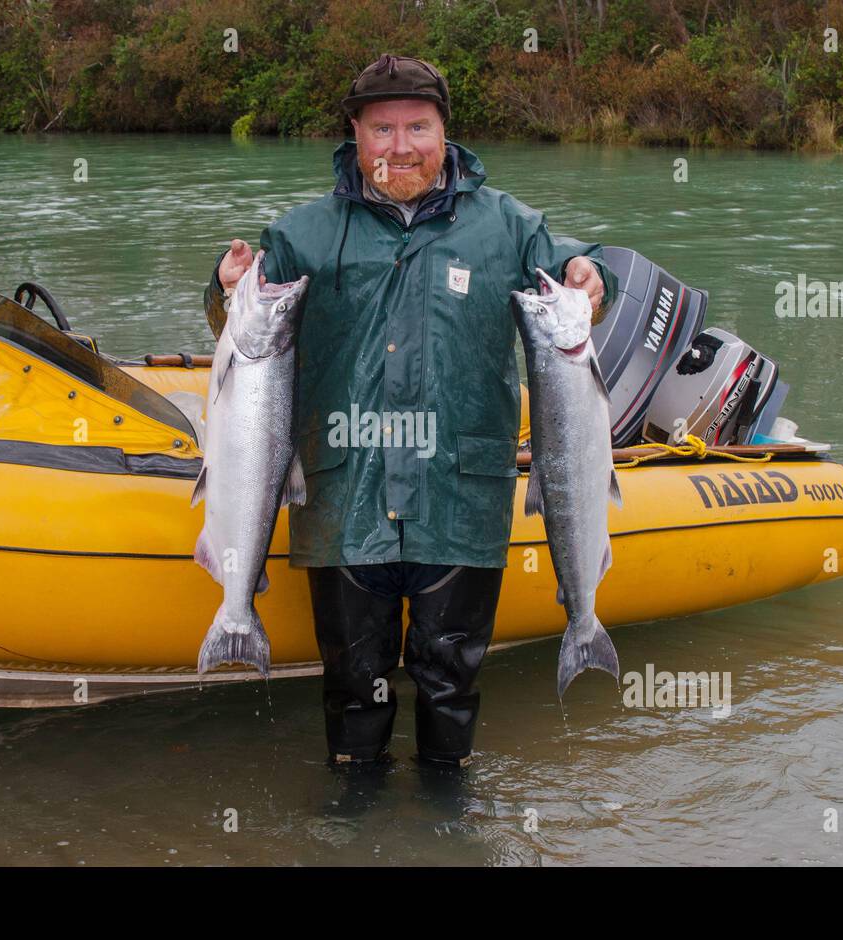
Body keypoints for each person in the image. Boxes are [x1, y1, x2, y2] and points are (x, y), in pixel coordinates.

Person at [204, 54, 616, 769]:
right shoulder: (302, 232)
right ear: (356, 135)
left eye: (417, 127)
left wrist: (592, 274)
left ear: (444, 132)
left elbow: (580, 268)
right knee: (353, 682)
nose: (401, 147)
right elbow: (236, 331)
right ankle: (355, 807)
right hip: (343, 501)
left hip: (460, 497)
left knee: (451, 680)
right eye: (383, 128)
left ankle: (447, 812)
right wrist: (222, 282)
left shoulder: (511, 229)